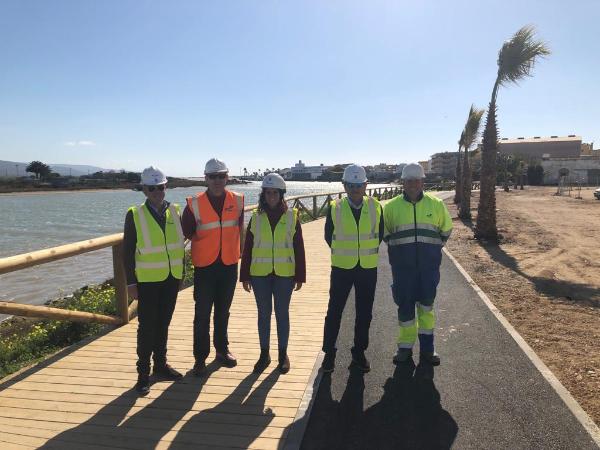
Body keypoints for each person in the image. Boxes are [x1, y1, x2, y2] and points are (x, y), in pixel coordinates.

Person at [123, 166, 185, 395]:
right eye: (153, 188)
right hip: (147, 281)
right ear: (144, 190)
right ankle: (143, 374)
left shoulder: (175, 211)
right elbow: (127, 251)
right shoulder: (135, 214)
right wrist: (130, 283)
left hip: (171, 278)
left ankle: (161, 364)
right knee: (147, 327)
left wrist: (182, 274)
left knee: (164, 324)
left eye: (162, 187)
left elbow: (179, 246)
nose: (158, 192)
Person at [383, 163, 452, 366]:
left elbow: (446, 230)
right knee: (405, 309)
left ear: (422, 181)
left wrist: (431, 252)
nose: (413, 184)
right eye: (409, 180)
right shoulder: (391, 207)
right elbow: (386, 234)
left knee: (426, 308)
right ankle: (404, 348)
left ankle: (428, 350)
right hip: (402, 270)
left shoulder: (436, 205)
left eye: (416, 180)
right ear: (403, 182)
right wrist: (400, 254)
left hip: (428, 269)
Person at [182, 158, 244, 376]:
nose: (217, 180)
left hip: (229, 265)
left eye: (221, 176)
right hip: (205, 268)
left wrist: (244, 260)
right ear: (205, 178)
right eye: (212, 176)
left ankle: (222, 350)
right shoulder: (193, 204)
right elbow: (184, 234)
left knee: (223, 312)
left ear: (227, 177)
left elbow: (240, 230)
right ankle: (200, 358)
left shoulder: (237, 200)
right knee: (202, 314)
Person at [240, 173, 306, 374]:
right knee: (263, 314)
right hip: (259, 274)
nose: (271, 196)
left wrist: (300, 275)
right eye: (268, 193)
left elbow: (299, 247)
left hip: (284, 274)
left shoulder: (292, 216)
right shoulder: (256, 217)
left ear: (281, 194)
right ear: (263, 194)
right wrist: (244, 275)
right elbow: (248, 248)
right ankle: (264, 353)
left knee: (282, 314)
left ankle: (282, 354)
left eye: (275, 193)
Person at [321, 164, 384, 373]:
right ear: (344, 186)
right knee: (334, 312)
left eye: (359, 185)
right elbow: (328, 235)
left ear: (365, 185)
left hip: (367, 268)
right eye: (351, 185)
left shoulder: (376, 206)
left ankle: (359, 352)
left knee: (364, 313)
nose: (355, 189)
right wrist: (346, 251)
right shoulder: (335, 207)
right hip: (341, 267)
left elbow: (379, 234)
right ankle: (329, 353)